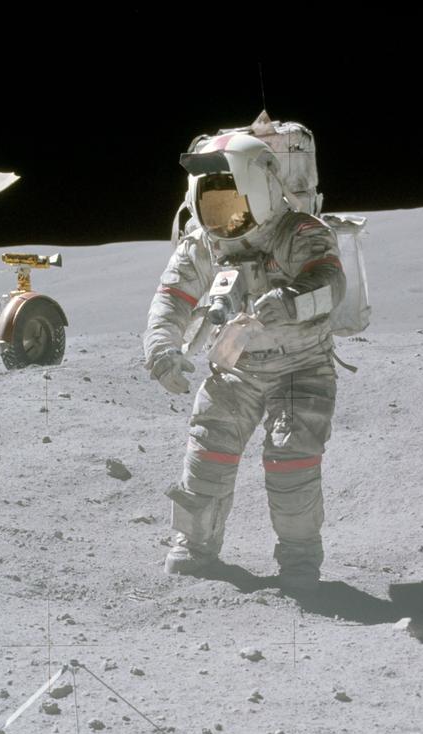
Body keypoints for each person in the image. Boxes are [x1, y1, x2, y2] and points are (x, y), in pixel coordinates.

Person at [143, 129, 346, 593]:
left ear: (260, 191)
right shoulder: (202, 244)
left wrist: (292, 302)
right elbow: (170, 299)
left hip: (302, 366)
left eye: (233, 201)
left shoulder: (301, 233)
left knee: (290, 458)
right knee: (207, 450)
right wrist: (161, 348)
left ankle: (298, 558)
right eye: (212, 204)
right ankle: (195, 546)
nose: (223, 216)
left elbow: (332, 285)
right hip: (237, 367)